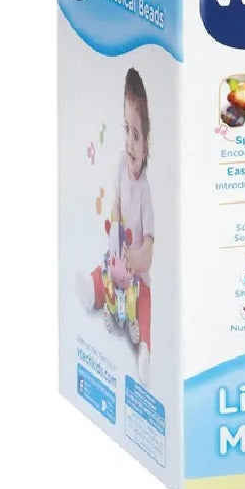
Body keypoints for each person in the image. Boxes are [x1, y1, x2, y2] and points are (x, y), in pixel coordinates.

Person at [77, 68, 155, 385]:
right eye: (126, 130)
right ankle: (92, 290)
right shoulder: (121, 163)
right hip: (117, 260)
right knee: (102, 274)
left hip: (137, 275)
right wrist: (115, 241)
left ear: (147, 143)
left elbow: (149, 245)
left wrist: (137, 259)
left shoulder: (146, 190)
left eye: (136, 135)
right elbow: (116, 205)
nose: (130, 144)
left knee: (146, 302)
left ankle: (145, 349)